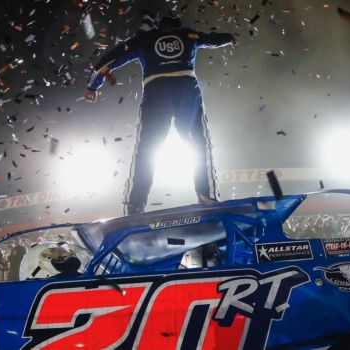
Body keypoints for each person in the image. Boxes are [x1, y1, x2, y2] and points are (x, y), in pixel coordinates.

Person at [85, 15, 237, 215]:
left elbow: (112, 58)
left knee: (147, 149)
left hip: (156, 93)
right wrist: (230, 37)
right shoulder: (188, 34)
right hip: (186, 90)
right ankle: (207, 196)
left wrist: (92, 85)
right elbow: (211, 39)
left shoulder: (144, 39)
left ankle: (134, 205)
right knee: (199, 144)